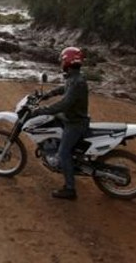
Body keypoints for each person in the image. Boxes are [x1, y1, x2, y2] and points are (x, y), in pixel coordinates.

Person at [33, 46, 90, 200]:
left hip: (75, 123)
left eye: (62, 61)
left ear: (67, 62)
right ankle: (69, 166)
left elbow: (65, 104)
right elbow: (64, 88)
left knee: (63, 153)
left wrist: (44, 110)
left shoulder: (77, 81)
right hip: (72, 119)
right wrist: (48, 94)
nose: (61, 64)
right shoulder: (75, 77)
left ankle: (70, 189)